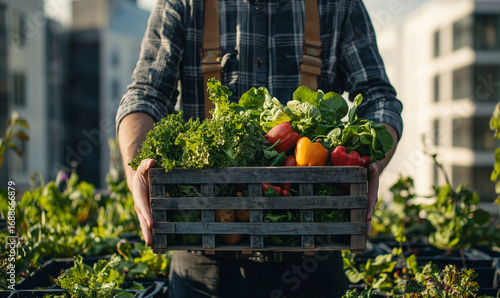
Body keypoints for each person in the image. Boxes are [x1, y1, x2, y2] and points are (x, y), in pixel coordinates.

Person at [116, 0, 403, 297]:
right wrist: (137, 165)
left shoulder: (337, 5)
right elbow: (145, 95)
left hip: (313, 259)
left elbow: (378, 97)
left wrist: (374, 162)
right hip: (203, 265)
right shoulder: (184, 4)